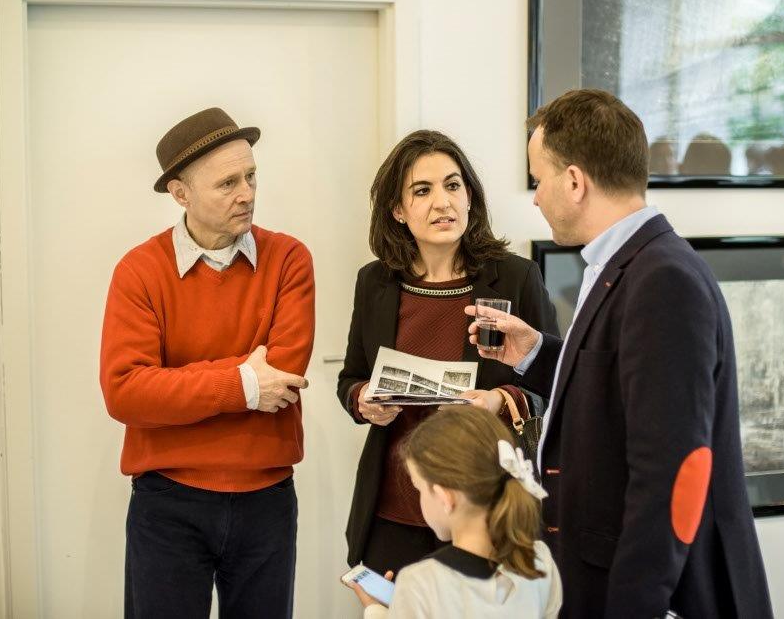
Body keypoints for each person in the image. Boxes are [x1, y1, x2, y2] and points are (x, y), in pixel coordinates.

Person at [466, 89, 774, 617]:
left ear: (575, 182)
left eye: (539, 180)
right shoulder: (627, 263)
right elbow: (617, 386)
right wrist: (536, 351)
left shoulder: (664, 280)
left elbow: (668, 474)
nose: (536, 199)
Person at [99, 107, 315, 618]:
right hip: (167, 502)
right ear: (181, 194)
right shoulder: (139, 271)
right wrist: (242, 383)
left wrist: (175, 385)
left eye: (251, 176)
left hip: (267, 498)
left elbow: (282, 376)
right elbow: (126, 393)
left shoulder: (289, 259)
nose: (247, 193)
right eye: (227, 183)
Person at [337, 129, 558, 574]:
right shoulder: (374, 282)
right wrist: (363, 401)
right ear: (398, 210)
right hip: (394, 510)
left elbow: (553, 383)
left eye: (453, 185)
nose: (443, 202)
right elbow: (352, 378)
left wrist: (499, 401)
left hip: (483, 511)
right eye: (422, 191)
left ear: (469, 196)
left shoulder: (516, 278)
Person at [348, 405, 562, 618]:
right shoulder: (540, 560)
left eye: (419, 488)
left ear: (444, 497)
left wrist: (377, 611)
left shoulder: (420, 583)